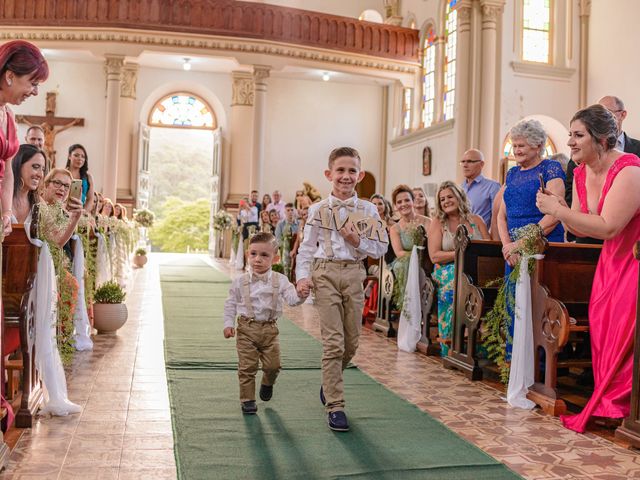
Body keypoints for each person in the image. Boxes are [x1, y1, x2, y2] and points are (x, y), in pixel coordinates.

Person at [536, 104, 640, 434]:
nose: (570, 142)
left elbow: (609, 226)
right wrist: (558, 208)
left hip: (634, 259)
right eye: (570, 135)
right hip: (610, 261)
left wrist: (559, 210)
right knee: (603, 321)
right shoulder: (580, 173)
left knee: (624, 327)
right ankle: (608, 400)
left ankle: (623, 406)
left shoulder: (629, 170)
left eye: (578, 135)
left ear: (602, 138)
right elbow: (583, 227)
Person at [295, 147, 387, 432]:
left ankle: (329, 379)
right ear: (329, 174)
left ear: (359, 175)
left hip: (354, 274)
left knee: (352, 343)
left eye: (351, 171)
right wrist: (302, 277)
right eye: (340, 170)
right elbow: (307, 247)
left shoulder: (368, 210)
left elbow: (381, 247)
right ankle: (335, 405)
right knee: (333, 342)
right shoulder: (317, 209)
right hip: (325, 272)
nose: (346, 176)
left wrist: (357, 241)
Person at [497, 118, 565, 358]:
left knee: (537, 308)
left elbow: (555, 214)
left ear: (538, 146)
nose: (516, 150)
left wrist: (521, 243)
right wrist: (507, 246)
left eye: (522, 145)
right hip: (513, 253)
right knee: (515, 306)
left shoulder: (551, 169)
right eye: (514, 145)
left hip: (540, 247)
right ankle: (515, 364)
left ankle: (539, 368)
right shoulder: (512, 174)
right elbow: (501, 216)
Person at [223, 232, 309, 414]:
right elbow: (230, 303)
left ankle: (267, 382)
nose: (257, 259)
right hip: (246, 328)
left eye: (264, 255)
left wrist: (301, 295)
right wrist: (228, 324)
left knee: (273, 366)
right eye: (253, 254)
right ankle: (247, 399)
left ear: (275, 258)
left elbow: (292, 300)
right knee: (247, 367)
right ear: (248, 254)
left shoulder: (281, 280)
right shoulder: (240, 282)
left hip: (270, 330)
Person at [428, 181, 489, 356]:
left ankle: (479, 342)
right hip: (447, 270)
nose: (446, 201)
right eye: (442, 199)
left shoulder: (476, 220)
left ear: (459, 197)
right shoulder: (438, 223)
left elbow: (489, 246)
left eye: (450, 196)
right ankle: (454, 341)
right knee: (459, 279)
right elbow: (435, 256)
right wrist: (461, 253)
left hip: (476, 269)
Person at [0, 40, 48, 236]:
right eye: (33, 83)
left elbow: (8, 173)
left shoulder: (9, 115)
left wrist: (6, 213)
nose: (36, 92)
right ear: (10, 75)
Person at [388, 185, 431, 312]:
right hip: (405, 262)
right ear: (395, 206)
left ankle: (423, 307)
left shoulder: (428, 222)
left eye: (407, 200)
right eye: (399, 202)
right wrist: (415, 258)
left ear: (413, 201)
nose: (403, 204)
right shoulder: (395, 228)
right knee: (402, 265)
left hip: (427, 261)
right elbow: (399, 252)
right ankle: (408, 307)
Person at [460, 148, 500, 228]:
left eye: (470, 161)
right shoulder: (459, 188)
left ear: (481, 164)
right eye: (463, 162)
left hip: (481, 238)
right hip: (458, 237)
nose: (465, 165)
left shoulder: (492, 187)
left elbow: (498, 218)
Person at [11, 144, 45, 223]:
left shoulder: (38, 201)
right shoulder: (2, 196)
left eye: (43, 169)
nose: (40, 175)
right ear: (18, 165)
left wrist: (74, 218)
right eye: (35, 167)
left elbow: (55, 235)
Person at [65, 144, 94, 213]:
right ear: (69, 156)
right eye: (76, 155)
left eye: (83, 156)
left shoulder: (88, 177)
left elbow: (90, 200)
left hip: (80, 212)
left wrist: (83, 213)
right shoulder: (62, 174)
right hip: (63, 211)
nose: (80, 158)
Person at [274, 202, 299, 278]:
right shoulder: (280, 224)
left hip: (297, 249)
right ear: (285, 212)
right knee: (286, 268)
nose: (290, 212)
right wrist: (286, 247)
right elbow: (278, 239)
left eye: (292, 210)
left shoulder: (299, 223)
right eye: (288, 210)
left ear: (294, 211)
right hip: (285, 250)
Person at [370, 193, 395, 265]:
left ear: (385, 206)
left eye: (380, 204)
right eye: (374, 204)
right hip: (374, 262)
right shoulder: (367, 225)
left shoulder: (393, 224)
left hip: (390, 260)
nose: (377, 206)